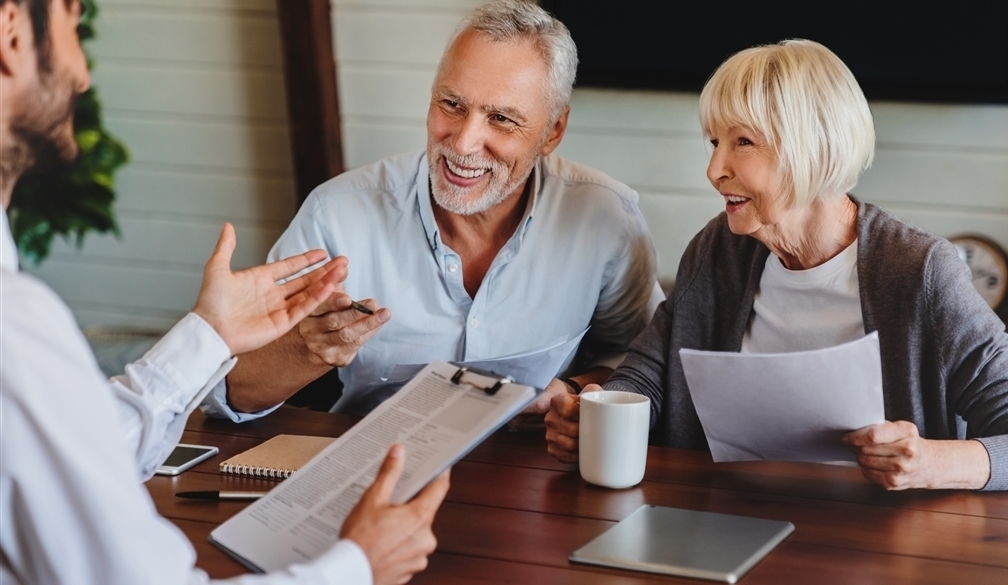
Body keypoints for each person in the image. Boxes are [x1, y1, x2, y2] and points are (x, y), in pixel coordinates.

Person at [0, 1, 449, 583]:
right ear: (10, 31)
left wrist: (208, 334)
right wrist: (358, 566)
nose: (82, 71)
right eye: (69, 23)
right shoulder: (16, 329)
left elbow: (76, 451)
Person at [545, 39, 1008, 491]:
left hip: (883, 541)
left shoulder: (920, 272)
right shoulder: (718, 249)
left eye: (743, 142)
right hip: (722, 520)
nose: (714, 170)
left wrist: (932, 463)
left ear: (814, 146)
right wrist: (602, 412)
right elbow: (651, 371)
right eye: (714, 142)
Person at [207, 0, 663, 421]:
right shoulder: (337, 215)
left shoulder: (607, 220)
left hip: (536, 477)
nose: (463, 143)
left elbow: (641, 363)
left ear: (552, 131)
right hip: (376, 471)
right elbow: (228, 394)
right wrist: (305, 351)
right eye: (452, 104)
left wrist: (573, 390)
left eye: (501, 119)